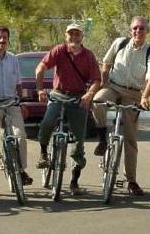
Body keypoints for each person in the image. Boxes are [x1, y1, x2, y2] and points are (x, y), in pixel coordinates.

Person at [90, 16, 150, 196]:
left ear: (147, 32)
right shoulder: (120, 43)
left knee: (130, 138)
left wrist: (144, 97)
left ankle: (131, 181)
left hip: (133, 94)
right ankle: (103, 138)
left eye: (142, 28)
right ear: (130, 31)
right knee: (98, 101)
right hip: (113, 87)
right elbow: (106, 63)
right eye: (135, 28)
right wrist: (104, 83)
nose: (138, 31)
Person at [35, 23, 101, 195]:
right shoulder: (59, 51)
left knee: (79, 140)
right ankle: (43, 153)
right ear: (66, 36)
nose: (73, 37)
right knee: (48, 121)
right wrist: (40, 88)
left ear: (82, 37)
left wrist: (89, 95)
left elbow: (96, 79)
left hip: (78, 97)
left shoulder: (88, 56)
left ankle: (74, 180)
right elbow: (41, 66)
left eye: (77, 34)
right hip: (58, 95)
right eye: (70, 34)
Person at [0, 26, 33, 197]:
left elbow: (18, 83)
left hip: (11, 103)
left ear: (8, 40)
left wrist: (21, 102)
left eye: (4, 38)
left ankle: (21, 170)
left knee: (20, 136)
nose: (1, 41)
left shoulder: (13, 60)